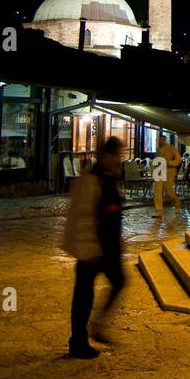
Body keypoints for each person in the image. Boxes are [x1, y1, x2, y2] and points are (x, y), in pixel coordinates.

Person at [69, 137, 126, 359]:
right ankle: (79, 341)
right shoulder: (92, 180)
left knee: (117, 282)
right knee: (84, 294)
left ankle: (94, 327)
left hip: (108, 247)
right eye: (116, 155)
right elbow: (83, 217)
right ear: (104, 156)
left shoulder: (109, 178)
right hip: (94, 247)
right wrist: (89, 247)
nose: (118, 160)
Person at [152, 139, 182, 218]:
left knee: (169, 192)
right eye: (159, 140)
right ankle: (158, 210)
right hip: (159, 172)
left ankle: (177, 203)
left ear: (164, 140)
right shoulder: (158, 150)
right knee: (157, 191)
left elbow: (178, 160)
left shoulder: (171, 148)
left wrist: (170, 162)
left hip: (168, 173)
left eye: (161, 140)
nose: (160, 142)